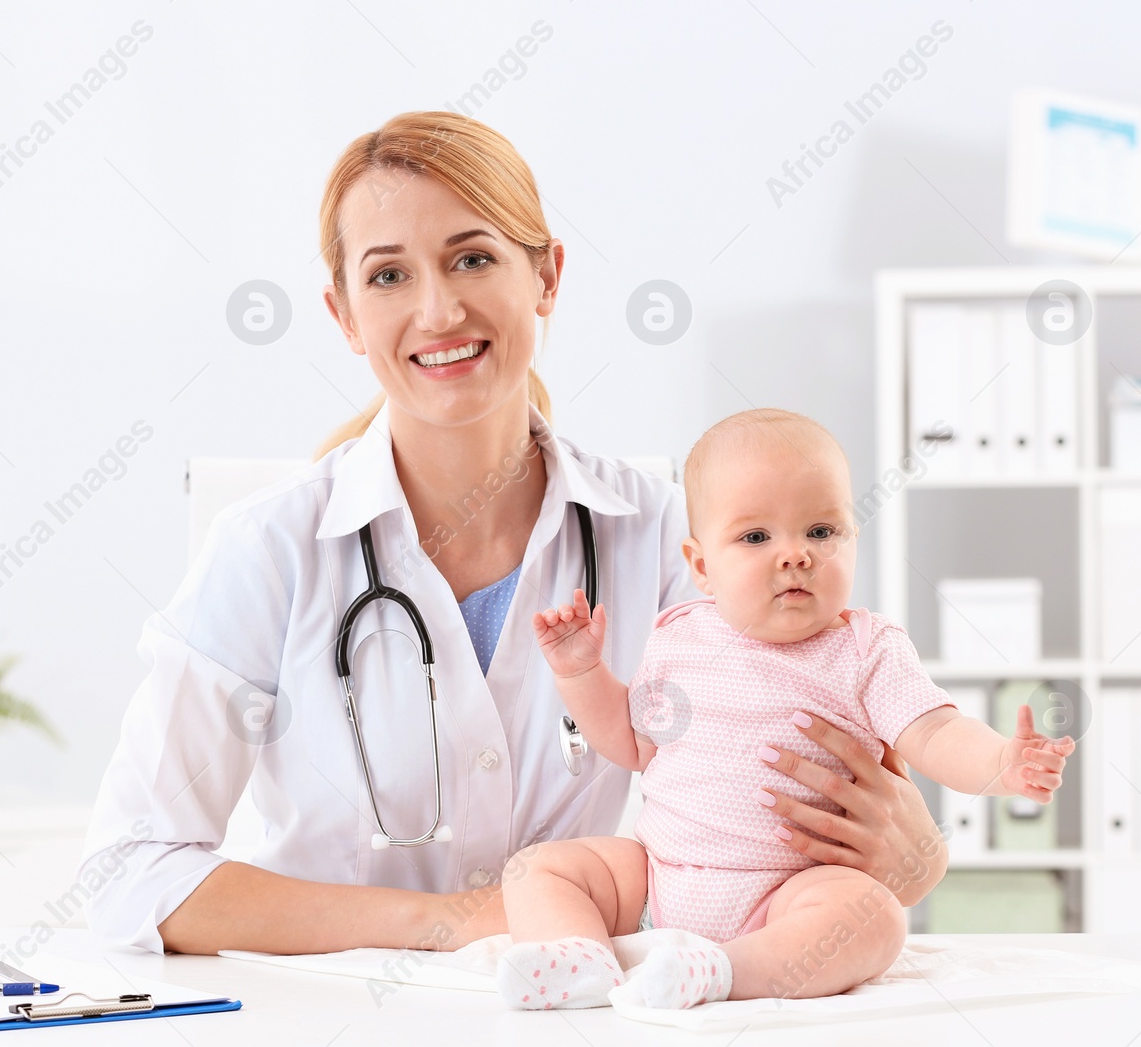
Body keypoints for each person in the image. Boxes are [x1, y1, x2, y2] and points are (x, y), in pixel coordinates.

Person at [79, 111, 951, 957]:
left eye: (472, 257)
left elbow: (798, 793)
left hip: (579, 1010)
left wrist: (912, 856)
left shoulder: (672, 539)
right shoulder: (266, 549)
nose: (438, 310)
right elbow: (130, 870)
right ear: (343, 315)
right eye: (388, 276)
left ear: (546, 279)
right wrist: (458, 922)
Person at [494, 408, 1075, 1009]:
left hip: (790, 893)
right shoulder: (679, 636)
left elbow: (936, 732)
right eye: (755, 537)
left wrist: (1002, 763)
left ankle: (721, 972)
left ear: (853, 537)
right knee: (539, 870)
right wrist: (582, 672)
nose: (795, 554)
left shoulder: (864, 649)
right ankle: (581, 960)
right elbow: (632, 744)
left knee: (872, 916)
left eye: (821, 532)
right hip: (660, 881)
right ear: (701, 566)